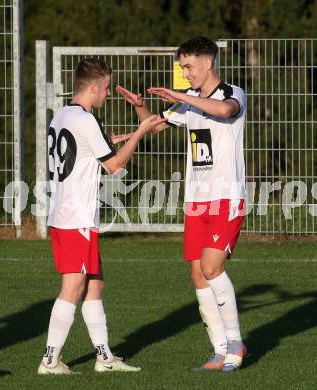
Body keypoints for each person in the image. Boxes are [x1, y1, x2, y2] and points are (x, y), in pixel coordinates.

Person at [116, 36, 247, 372]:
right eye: (182, 67)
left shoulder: (231, 94)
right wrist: (139, 105)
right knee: (197, 273)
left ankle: (236, 344)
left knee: (212, 268)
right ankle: (219, 352)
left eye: (188, 66)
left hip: (225, 196)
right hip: (196, 200)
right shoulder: (188, 102)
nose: (185, 73)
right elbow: (155, 126)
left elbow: (223, 111)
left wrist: (182, 98)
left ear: (208, 62)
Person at [38, 58, 165, 375]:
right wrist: (138, 133)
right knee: (74, 286)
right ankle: (50, 360)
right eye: (106, 88)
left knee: (95, 284)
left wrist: (121, 136)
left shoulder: (63, 116)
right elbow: (114, 167)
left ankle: (105, 358)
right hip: (75, 217)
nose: (108, 94)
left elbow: (89, 150)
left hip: (66, 214)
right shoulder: (86, 120)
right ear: (93, 88)